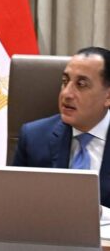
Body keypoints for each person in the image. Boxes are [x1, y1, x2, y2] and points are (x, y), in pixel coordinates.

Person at [13, 46, 110, 208]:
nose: (66, 94)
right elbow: (13, 202)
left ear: (107, 96)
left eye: (81, 84)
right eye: (65, 82)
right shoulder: (34, 137)